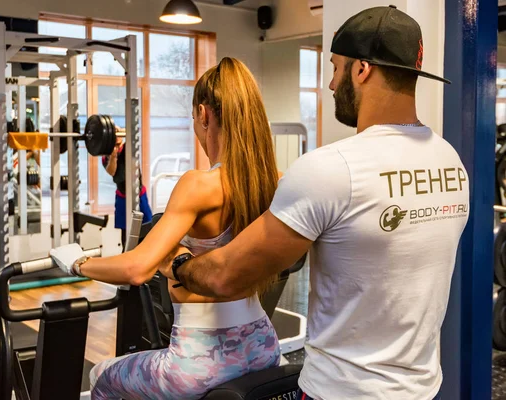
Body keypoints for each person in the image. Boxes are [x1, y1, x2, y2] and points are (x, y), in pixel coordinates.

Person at [159, 6, 469, 400]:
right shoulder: (450, 161)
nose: (330, 83)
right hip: (422, 390)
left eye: (335, 68)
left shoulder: (332, 167)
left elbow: (225, 275)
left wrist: (181, 263)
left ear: (362, 70)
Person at [50, 57, 282, 400]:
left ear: (204, 115)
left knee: (103, 376)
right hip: (264, 349)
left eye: (192, 118)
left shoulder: (199, 185)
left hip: (199, 363)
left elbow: (136, 269)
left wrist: (76, 262)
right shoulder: (273, 182)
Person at [102, 134, 153, 248]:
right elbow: (112, 172)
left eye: (117, 133)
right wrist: (113, 155)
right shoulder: (107, 156)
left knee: (147, 228)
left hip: (139, 195)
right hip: (122, 197)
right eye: (113, 134)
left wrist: (121, 132)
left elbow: (133, 134)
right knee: (126, 235)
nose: (116, 136)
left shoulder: (129, 148)